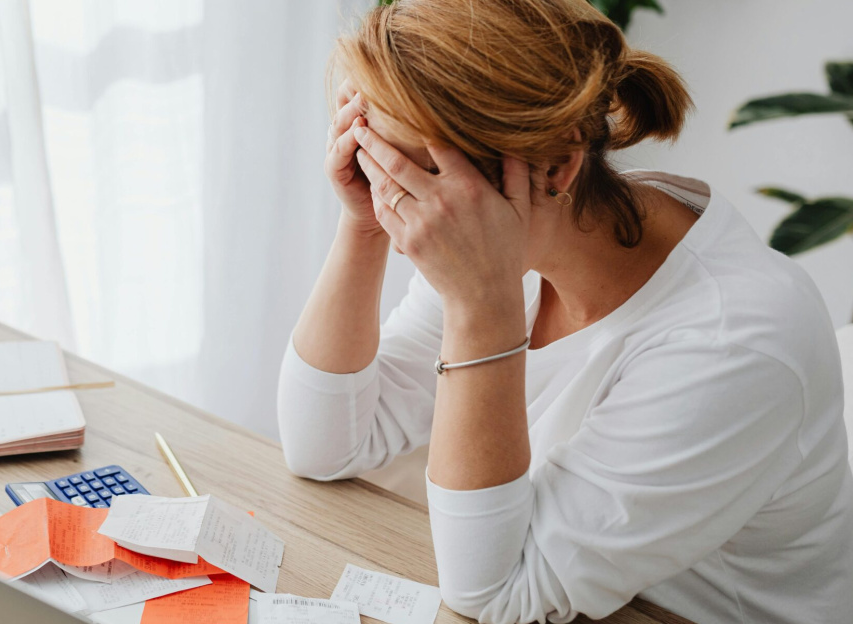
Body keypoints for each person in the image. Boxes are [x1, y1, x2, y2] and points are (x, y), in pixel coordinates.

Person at [276, 1, 853, 622]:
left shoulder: (733, 343)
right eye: (373, 160)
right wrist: (361, 226)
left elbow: (493, 594)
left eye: (413, 178)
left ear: (555, 166)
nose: (404, 214)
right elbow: (325, 446)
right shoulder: (529, 234)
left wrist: (481, 306)